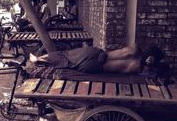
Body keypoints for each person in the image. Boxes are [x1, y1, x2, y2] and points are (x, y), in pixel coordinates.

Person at [30, 44, 169, 78]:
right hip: (94, 62)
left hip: (96, 56)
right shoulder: (137, 64)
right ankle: (39, 60)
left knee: (64, 55)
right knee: (67, 58)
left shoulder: (135, 53)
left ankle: (40, 59)